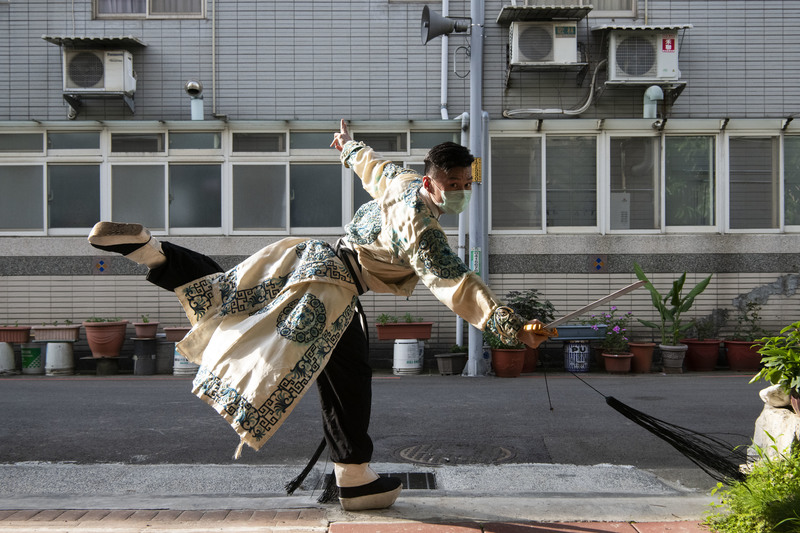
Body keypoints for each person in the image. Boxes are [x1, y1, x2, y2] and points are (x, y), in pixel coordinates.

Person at [87, 119, 549, 511]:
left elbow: (374, 168)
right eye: (454, 186)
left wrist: (347, 145)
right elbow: (455, 281)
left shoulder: (403, 181)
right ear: (432, 182)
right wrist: (506, 325)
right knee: (348, 379)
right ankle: (354, 479)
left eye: (468, 185)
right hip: (333, 290)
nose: (462, 193)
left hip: (306, 257)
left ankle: (152, 250)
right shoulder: (423, 228)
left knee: (226, 293)